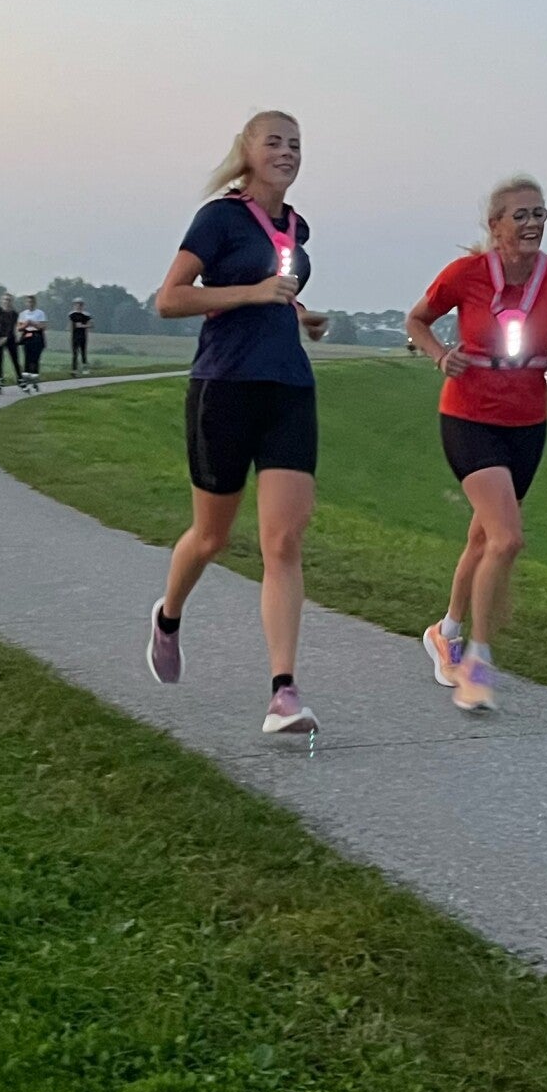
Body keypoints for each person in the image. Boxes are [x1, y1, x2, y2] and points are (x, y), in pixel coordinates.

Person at [145, 111, 329, 736]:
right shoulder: (219, 218)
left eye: (295, 144)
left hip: (289, 390)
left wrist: (299, 313)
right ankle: (169, 616)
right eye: (273, 141)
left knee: (283, 541)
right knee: (211, 537)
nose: (287, 151)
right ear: (247, 150)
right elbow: (169, 299)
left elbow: (277, 290)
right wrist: (252, 293)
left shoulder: (297, 225)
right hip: (223, 388)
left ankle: (283, 692)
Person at [404, 177, 547, 712]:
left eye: (539, 214)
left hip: (528, 422)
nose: (532, 224)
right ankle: (477, 668)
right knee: (507, 540)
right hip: (469, 417)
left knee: (484, 538)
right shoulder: (466, 274)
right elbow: (416, 320)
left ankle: (446, 632)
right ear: (495, 226)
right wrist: (442, 355)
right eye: (520, 215)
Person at [0, 291, 22, 392]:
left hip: (10, 338)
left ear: (11, 302)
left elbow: (11, 327)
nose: (6, 302)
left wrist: (6, 338)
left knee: (15, 359)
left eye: (9, 300)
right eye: (5, 300)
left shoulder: (14, 314)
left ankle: (20, 379)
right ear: (1, 301)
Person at [16, 294, 48, 391]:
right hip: (27, 335)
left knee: (35, 359)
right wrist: (27, 324)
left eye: (32, 302)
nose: (30, 304)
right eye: (28, 302)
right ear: (26, 303)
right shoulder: (23, 314)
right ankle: (26, 378)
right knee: (27, 357)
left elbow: (43, 326)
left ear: (35, 303)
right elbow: (19, 328)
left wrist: (33, 323)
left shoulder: (40, 313)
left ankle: (34, 379)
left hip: (37, 335)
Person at [68, 295, 93, 373]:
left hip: (83, 336)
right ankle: (74, 369)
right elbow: (71, 325)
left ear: (82, 306)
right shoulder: (72, 315)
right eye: (76, 304)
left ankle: (85, 369)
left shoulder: (86, 315)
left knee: (83, 353)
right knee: (75, 353)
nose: (78, 306)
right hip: (75, 336)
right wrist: (70, 333)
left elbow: (91, 325)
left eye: (80, 305)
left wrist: (83, 326)